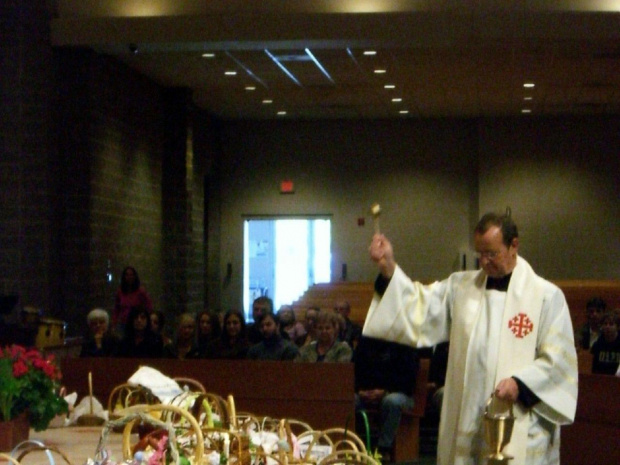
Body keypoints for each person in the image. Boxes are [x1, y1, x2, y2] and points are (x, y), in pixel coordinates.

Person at [364, 211, 578, 465]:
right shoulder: (461, 288)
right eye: (480, 254)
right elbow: (418, 307)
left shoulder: (546, 297)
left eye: (492, 253)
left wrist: (520, 383)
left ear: (514, 245)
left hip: (519, 420)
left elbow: (558, 363)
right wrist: (388, 267)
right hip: (467, 417)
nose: (484, 261)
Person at [353, 335, 419, 459]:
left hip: (399, 393)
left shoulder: (405, 344)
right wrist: (359, 390)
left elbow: (409, 381)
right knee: (349, 399)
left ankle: (383, 448)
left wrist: (385, 391)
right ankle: (354, 443)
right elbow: (353, 372)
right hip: (365, 393)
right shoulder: (365, 342)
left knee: (392, 401)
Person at [112, 266, 153, 337]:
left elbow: (149, 305)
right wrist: (114, 322)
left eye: (131, 275)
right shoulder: (120, 292)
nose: (129, 277)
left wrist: (146, 319)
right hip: (124, 323)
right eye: (127, 275)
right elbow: (117, 308)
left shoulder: (141, 291)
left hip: (137, 324)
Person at [590, 310, 620, 375]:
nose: (607, 327)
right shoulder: (597, 345)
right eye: (605, 324)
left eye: (611, 324)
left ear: (617, 327)